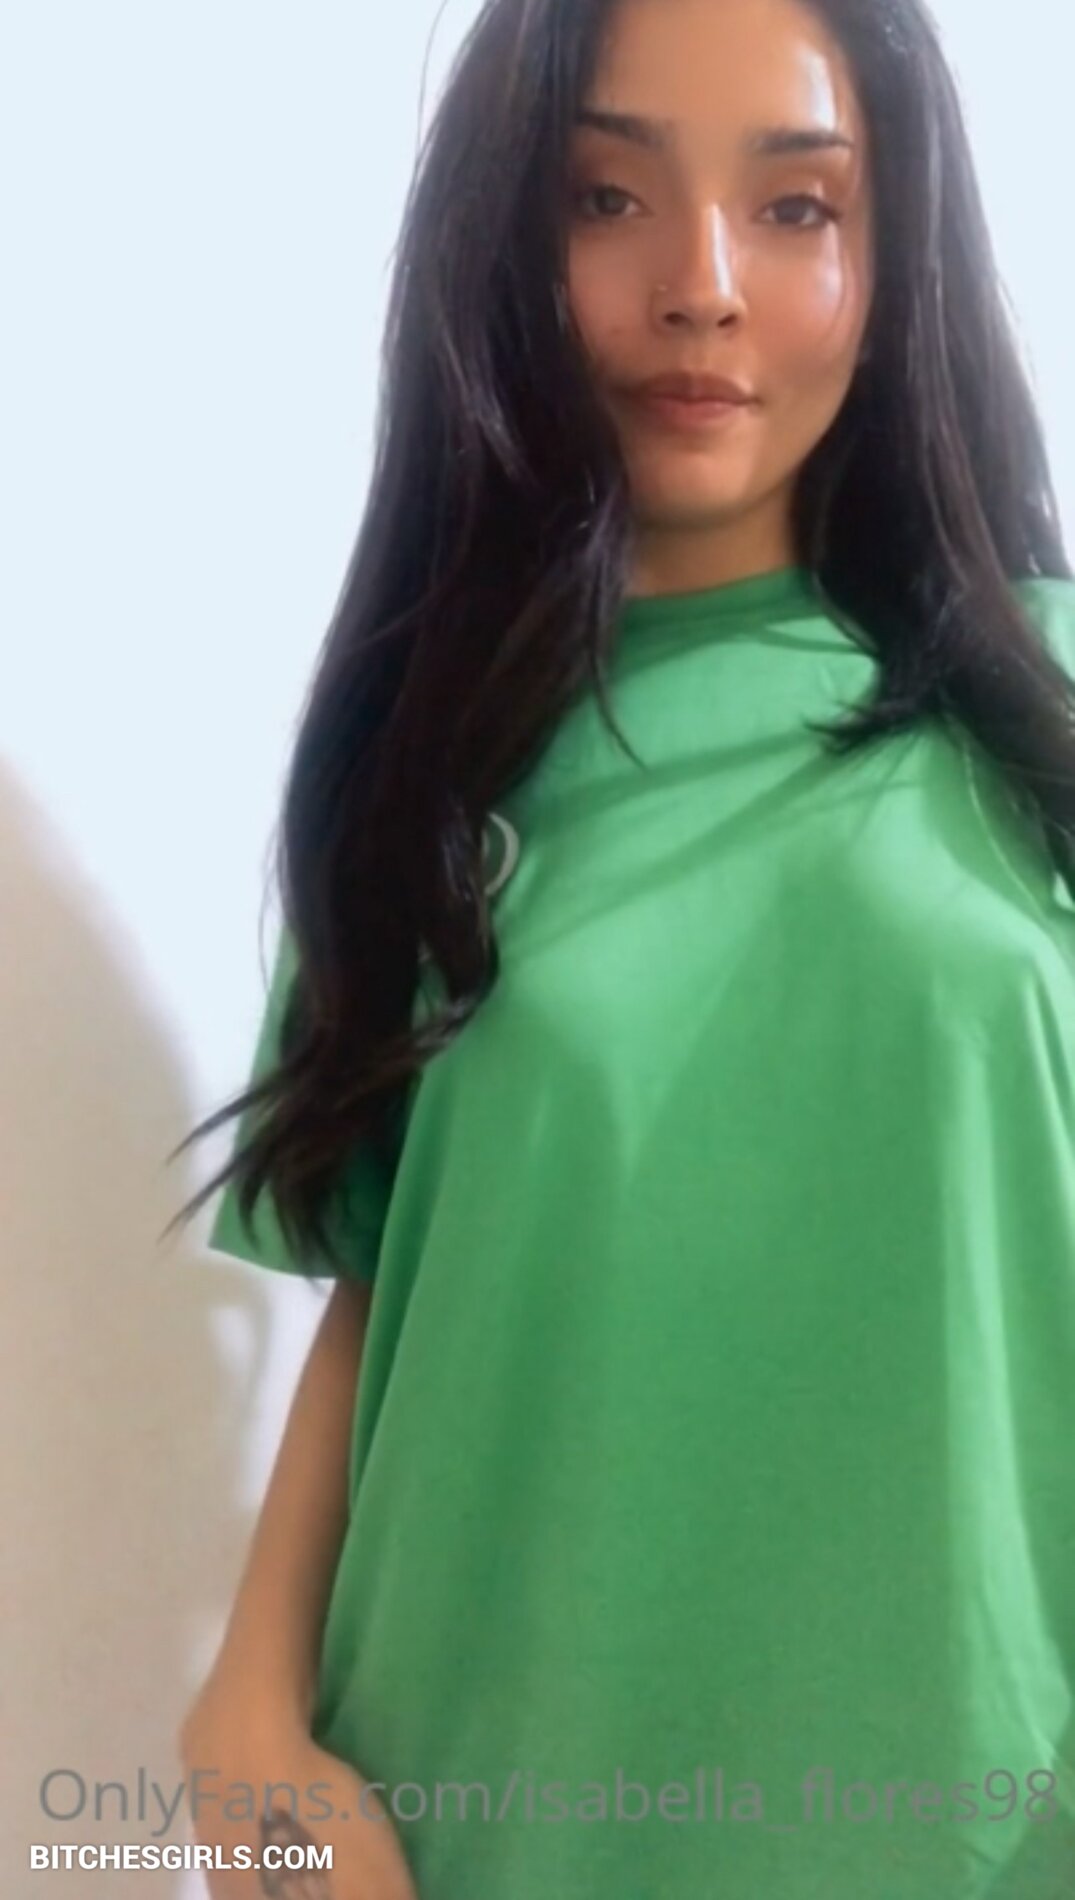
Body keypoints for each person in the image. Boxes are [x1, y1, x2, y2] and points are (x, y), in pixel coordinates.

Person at [168, 0, 1075, 1894]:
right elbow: (405, 1274)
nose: (703, 286)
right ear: (506, 235)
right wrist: (248, 1717)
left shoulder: (1049, 708)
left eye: (798, 206)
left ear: (898, 251)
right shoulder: (430, 760)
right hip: (484, 1812)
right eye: (606, 196)